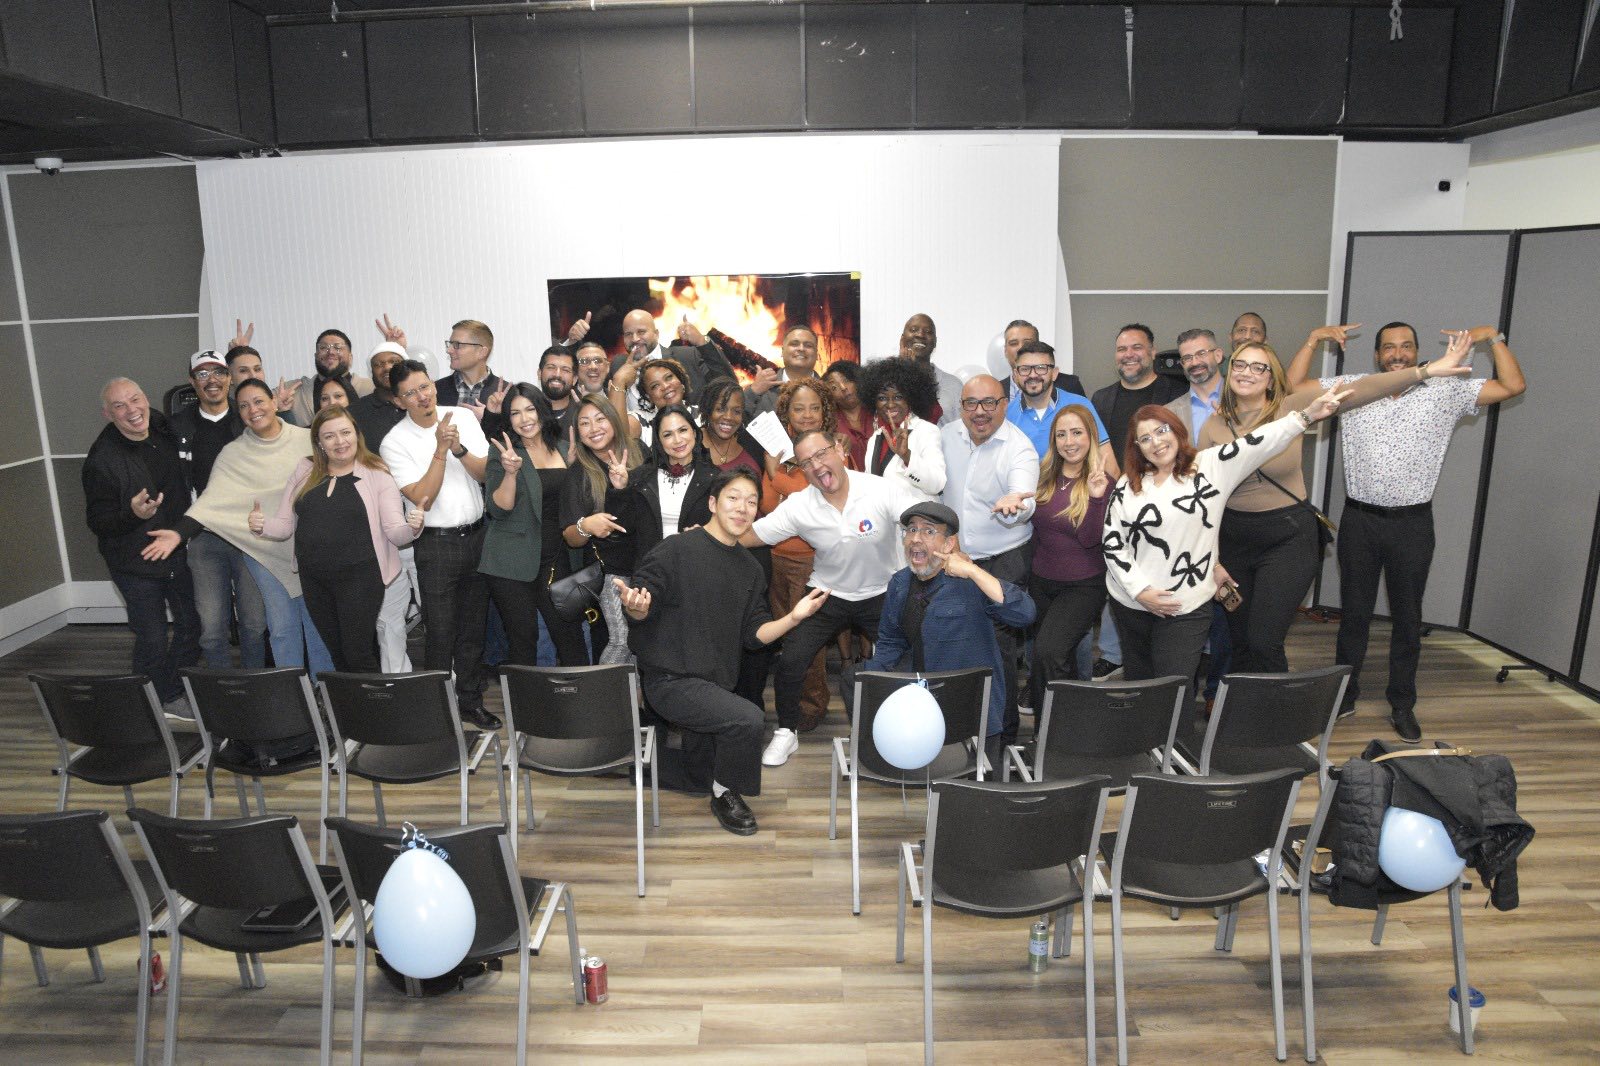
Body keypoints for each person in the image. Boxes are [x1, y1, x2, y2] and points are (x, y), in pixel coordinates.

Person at [1287, 321, 1527, 741]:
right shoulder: (1354, 387)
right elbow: (1293, 388)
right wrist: (1312, 340)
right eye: (1388, 347)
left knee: (1407, 618)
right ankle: (1345, 695)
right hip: (1360, 521)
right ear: (1377, 354)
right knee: (1354, 616)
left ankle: (1402, 703)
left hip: (1412, 525)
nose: (1397, 354)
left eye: (1405, 346)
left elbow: (1513, 386)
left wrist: (1494, 338)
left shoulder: (1446, 389)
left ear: (1416, 351)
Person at [1201, 331, 1478, 686]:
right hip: (1234, 539)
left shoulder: (1291, 407)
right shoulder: (1213, 425)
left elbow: (1364, 388)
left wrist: (1425, 371)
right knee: (1240, 640)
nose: (1247, 372)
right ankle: (1242, 709)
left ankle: (1277, 712)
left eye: (1259, 367)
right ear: (1230, 371)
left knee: (1263, 640)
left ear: (1271, 379)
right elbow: (1204, 497)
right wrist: (1213, 559)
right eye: (1240, 364)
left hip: (1287, 538)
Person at [617, 468, 831, 835]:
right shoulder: (676, 549)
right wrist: (636, 608)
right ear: (714, 504)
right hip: (669, 679)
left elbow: (755, 634)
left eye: (751, 502)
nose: (742, 508)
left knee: (699, 771)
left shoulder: (750, 568)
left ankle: (651, 768)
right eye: (734, 498)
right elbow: (641, 603)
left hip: (712, 683)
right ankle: (725, 794)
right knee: (747, 719)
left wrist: (793, 617)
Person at [1103, 390, 1347, 686]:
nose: (1156, 442)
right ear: (1137, 447)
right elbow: (1113, 543)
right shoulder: (1128, 484)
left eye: (1161, 430)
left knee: (1173, 685)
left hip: (1186, 605)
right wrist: (1140, 591)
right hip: (1131, 602)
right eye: (1145, 438)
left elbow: (1258, 442)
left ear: (1177, 430)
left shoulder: (1210, 466)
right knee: (1139, 685)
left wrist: (1305, 416)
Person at [745, 429, 924, 766]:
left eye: (821, 454)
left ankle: (908, 726)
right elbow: (755, 534)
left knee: (910, 656)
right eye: (806, 462)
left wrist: (948, 547)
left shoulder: (880, 489)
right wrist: (711, 535)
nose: (816, 465)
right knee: (791, 659)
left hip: (881, 592)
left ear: (840, 451)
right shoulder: (800, 505)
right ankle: (786, 731)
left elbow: (921, 518)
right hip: (826, 593)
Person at [144, 378, 336, 682]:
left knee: (318, 628)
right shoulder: (232, 454)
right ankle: (293, 695)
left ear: (273, 403)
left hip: (312, 551)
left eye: (258, 401)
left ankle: (323, 692)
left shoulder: (308, 439)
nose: (253, 410)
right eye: (244, 405)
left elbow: (341, 474)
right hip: (264, 554)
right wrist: (179, 533)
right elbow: (211, 502)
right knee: (282, 629)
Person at [253, 406, 423, 671]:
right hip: (314, 579)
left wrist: (413, 527)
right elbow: (285, 526)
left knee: (357, 653)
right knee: (337, 654)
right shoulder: (305, 469)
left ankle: (372, 698)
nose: (340, 441)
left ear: (356, 434)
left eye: (345, 432)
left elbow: (395, 532)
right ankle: (347, 700)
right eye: (329, 436)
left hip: (361, 578)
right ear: (319, 442)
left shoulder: (377, 472)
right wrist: (262, 525)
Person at [380, 359, 500, 730]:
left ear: (433, 385)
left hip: (477, 535)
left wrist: (459, 448)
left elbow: (486, 473)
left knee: (473, 629)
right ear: (399, 401)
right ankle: (436, 711)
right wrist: (440, 450)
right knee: (441, 631)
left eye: (425, 386)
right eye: (410, 393)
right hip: (435, 544)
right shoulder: (393, 442)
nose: (422, 397)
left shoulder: (461, 417)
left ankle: (470, 702)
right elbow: (422, 498)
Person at [858, 501, 1036, 740]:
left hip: (968, 709)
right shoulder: (899, 583)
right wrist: (873, 683)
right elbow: (891, 641)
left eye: (928, 531)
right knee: (856, 682)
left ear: (949, 543)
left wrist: (973, 571)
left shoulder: (972, 582)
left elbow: (1025, 613)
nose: (916, 538)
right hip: (920, 704)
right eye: (911, 530)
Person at [83, 378, 201, 715]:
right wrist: (133, 515)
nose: (131, 410)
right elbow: (98, 522)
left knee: (193, 625)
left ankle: (169, 690)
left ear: (145, 399)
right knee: (152, 637)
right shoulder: (101, 461)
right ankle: (149, 707)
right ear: (108, 414)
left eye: (135, 400)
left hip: (176, 550)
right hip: (134, 561)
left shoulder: (162, 426)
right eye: (119, 406)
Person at [939, 374, 1040, 744]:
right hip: (957, 556)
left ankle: (1004, 734)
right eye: (971, 403)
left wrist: (1016, 506)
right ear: (961, 406)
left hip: (1005, 558)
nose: (979, 411)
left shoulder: (1020, 448)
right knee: (957, 637)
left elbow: (1024, 498)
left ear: (1004, 404)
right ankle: (963, 723)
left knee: (997, 646)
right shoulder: (947, 435)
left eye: (989, 403)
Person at [1090, 324, 1187, 678]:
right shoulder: (1101, 398)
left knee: (1161, 572)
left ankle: (1166, 654)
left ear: (1152, 351)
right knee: (1119, 575)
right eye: (1122, 349)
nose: (1128, 355)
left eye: (1137, 347)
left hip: (1168, 502)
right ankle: (1114, 654)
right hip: (1118, 501)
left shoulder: (1176, 392)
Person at [478, 384, 588, 667]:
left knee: (569, 634)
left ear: (542, 410)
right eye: (515, 413)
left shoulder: (564, 448)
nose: (524, 419)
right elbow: (498, 509)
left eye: (530, 409)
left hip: (555, 556)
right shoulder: (503, 452)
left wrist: (575, 469)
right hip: (510, 559)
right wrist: (510, 473)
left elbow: (574, 502)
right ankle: (524, 697)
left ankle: (580, 694)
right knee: (523, 639)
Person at [169, 351, 264, 672]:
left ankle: (253, 687)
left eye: (219, 372)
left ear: (230, 378)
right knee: (211, 630)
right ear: (192, 381)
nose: (212, 380)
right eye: (203, 374)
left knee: (254, 625)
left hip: (249, 537)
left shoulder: (248, 419)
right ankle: (222, 691)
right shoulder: (177, 427)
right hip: (204, 537)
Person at [757, 379, 839, 747]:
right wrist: (777, 475)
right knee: (787, 636)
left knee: (808, 639)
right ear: (786, 414)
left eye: (814, 408)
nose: (807, 415)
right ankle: (794, 703)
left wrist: (775, 474)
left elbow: (816, 499)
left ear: (825, 412)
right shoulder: (777, 450)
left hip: (813, 563)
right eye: (798, 409)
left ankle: (812, 705)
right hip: (778, 560)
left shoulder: (833, 451)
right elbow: (767, 506)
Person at [1027, 405, 1111, 710]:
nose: (1069, 441)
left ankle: (1057, 726)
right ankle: (1051, 727)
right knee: (1056, 659)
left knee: (1049, 652)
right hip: (1041, 583)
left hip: (1083, 586)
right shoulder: (1042, 477)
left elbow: (1090, 540)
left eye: (1077, 433)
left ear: (1091, 437)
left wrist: (1096, 498)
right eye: (1061, 434)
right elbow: (1036, 532)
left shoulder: (1102, 482)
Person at [1164, 328, 1231, 705]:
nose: (1194, 362)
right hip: (1188, 522)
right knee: (1189, 606)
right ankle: (1182, 695)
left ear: (1218, 355)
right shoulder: (1171, 411)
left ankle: (1217, 692)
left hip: (1236, 516)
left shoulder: (1244, 400)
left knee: (1226, 609)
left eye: (1201, 353)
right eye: (1187, 357)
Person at [560, 393, 646, 665]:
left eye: (600, 419)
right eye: (584, 423)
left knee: (646, 639)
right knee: (623, 639)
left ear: (613, 419)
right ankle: (598, 692)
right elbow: (571, 538)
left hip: (648, 563)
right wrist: (586, 525)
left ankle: (634, 693)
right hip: (611, 570)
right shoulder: (578, 473)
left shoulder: (641, 452)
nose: (594, 428)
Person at [1004, 339, 1110, 464]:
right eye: (1025, 369)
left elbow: (1108, 462)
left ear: (1054, 373)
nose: (1032, 375)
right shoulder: (1006, 415)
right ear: (1015, 375)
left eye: (1041, 368)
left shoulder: (1081, 405)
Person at [611, 308, 735, 413]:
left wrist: (701, 342)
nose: (635, 339)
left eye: (641, 332)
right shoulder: (618, 365)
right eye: (628, 334)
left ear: (656, 334)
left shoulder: (686, 356)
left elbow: (728, 383)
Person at [858, 356, 946, 502]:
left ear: (911, 398)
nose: (890, 404)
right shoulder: (876, 437)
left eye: (898, 397)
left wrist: (907, 456)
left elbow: (937, 484)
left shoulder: (926, 431)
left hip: (915, 516)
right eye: (882, 398)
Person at [629, 405, 716, 553]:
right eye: (668, 434)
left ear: (694, 432)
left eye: (683, 430)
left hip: (697, 560)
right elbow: (625, 527)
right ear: (659, 441)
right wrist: (619, 489)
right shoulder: (641, 478)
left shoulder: (715, 479)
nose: (677, 440)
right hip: (651, 563)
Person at [279, 328, 373, 427]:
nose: (331, 352)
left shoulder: (371, 388)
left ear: (350, 357)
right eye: (323, 348)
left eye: (338, 347)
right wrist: (277, 408)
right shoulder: (291, 390)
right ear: (316, 356)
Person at [896, 313, 961, 425]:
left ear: (935, 342)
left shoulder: (954, 385)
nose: (920, 335)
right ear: (902, 339)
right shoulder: (888, 383)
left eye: (928, 332)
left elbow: (961, 429)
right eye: (913, 330)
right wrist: (904, 369)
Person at [744, 325, 821, 418]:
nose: (801, 348)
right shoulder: (761, 390)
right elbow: (737, 420)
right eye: (794, 344)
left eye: (808, 345)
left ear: (817, 354)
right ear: (782, 351)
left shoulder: (829, 391)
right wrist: (753, 392)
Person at [435, 318, 505, 417]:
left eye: (457, 345)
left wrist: (490, 419)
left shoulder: (506, 394)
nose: (449, 350)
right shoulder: (435, 391)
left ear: (482, 352)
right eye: (450, 344)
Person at [999, 320, 1086, 398]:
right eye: (1013, 343)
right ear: (1005, 351)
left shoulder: (1070, 385)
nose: (1020, 348)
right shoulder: (997, 389)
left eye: (1027, 343)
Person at [350, 341, 409, 453]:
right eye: (378, 364)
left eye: (394, 362)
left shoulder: (421, 402)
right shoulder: (353, 413)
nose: (387, 367)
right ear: (371, 372)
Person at [823, 360, 872, 469]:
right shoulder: (829, 421)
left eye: (847, 380)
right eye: (834, 387)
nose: (843, 388)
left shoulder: (877, 411)